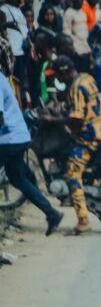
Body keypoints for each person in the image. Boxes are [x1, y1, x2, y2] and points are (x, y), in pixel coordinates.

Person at [43, 56, 101, 234]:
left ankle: (83, 220)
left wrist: (54, 119)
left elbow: (76, 119)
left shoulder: (76, 87)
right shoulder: (86, 78)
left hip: (89, 137)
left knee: (72, 174)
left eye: (58, 75)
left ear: (65, 72)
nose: (57, 79)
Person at [0, 75, 63, 235]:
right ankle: (51, 213)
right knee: (17, 178)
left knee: (18, 177)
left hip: (9, 139)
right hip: (18, 136)